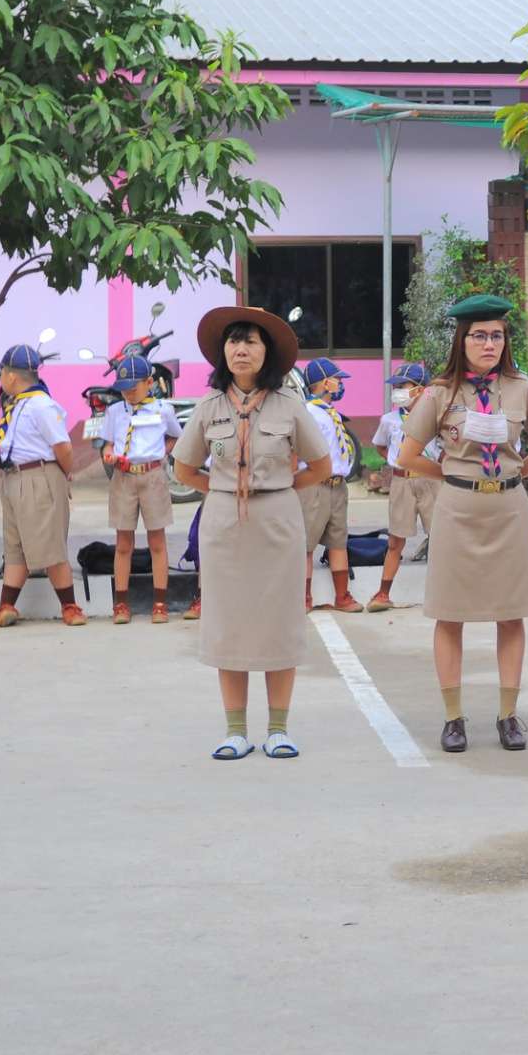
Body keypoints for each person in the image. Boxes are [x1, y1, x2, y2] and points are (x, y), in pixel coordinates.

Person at [398, 295, 528, 753]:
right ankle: (454, 718)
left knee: (511, 613)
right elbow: (407, 455)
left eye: (496, 336)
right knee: (450, 614)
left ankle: (508, 715)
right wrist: (451, 475)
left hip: (508, 508)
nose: (489, 344)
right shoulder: (439, 393)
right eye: (479, 336)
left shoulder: (521, 388)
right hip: (458, 509)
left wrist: (516, 474)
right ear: (462, 340)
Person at [171, 307, 333, 759]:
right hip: (224, 525)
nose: (241, 349)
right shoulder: (209, 407)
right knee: (229, 624)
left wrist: (280, 489)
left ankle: (278, 729)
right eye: (233, 341)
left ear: (267, 352)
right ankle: (235, 731)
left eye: (251, 341)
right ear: (223, 352)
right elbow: (184, 468)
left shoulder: (289, 405)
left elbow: (320, 465)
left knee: (279, 622)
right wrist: (223, 490)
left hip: (277, 522)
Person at [0, 342, 82, 627]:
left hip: (38, 477)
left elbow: (63, 447)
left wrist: (64, 475)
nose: (1, 378)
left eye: (2, 373)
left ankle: (70, 607)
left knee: (49, 544)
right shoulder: (17, 404)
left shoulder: (42, 405)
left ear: (11, 375)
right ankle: (6, 606)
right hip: (14, 478)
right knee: (15, 548)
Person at [102, 354, 178, 622]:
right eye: (124, 389)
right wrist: (109, 454)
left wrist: (160, 455)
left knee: (157, 540)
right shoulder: (115, 411)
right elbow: (108, 443)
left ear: (149, 383)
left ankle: (160, 603)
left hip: (152, 477)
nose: (129, 394)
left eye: (134, 388)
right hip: (123, 477)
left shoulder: (163, 410)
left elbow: (175, 436)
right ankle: (121, 604)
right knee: (123, 542)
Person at [367, 362, 441, 612]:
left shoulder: (436, 417)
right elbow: (380, 446)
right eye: (396, 386)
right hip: (402, 482)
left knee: (441, 537)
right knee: (395, 540)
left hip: (432, 481)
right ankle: (383, 593)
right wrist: (397, 461)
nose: (397, 391)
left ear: (420, 389)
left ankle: (446, 592)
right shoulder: (389, 420)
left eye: (403, 386)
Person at [298, 357, 362, 613]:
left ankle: (342, 596)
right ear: (325, 383)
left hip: (337, 485)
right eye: (337, 379)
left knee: (338, 542)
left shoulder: (329, 412)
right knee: (306, 545)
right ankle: (304, 597)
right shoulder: (307, 413)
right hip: (314, 486)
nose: (340, 384)